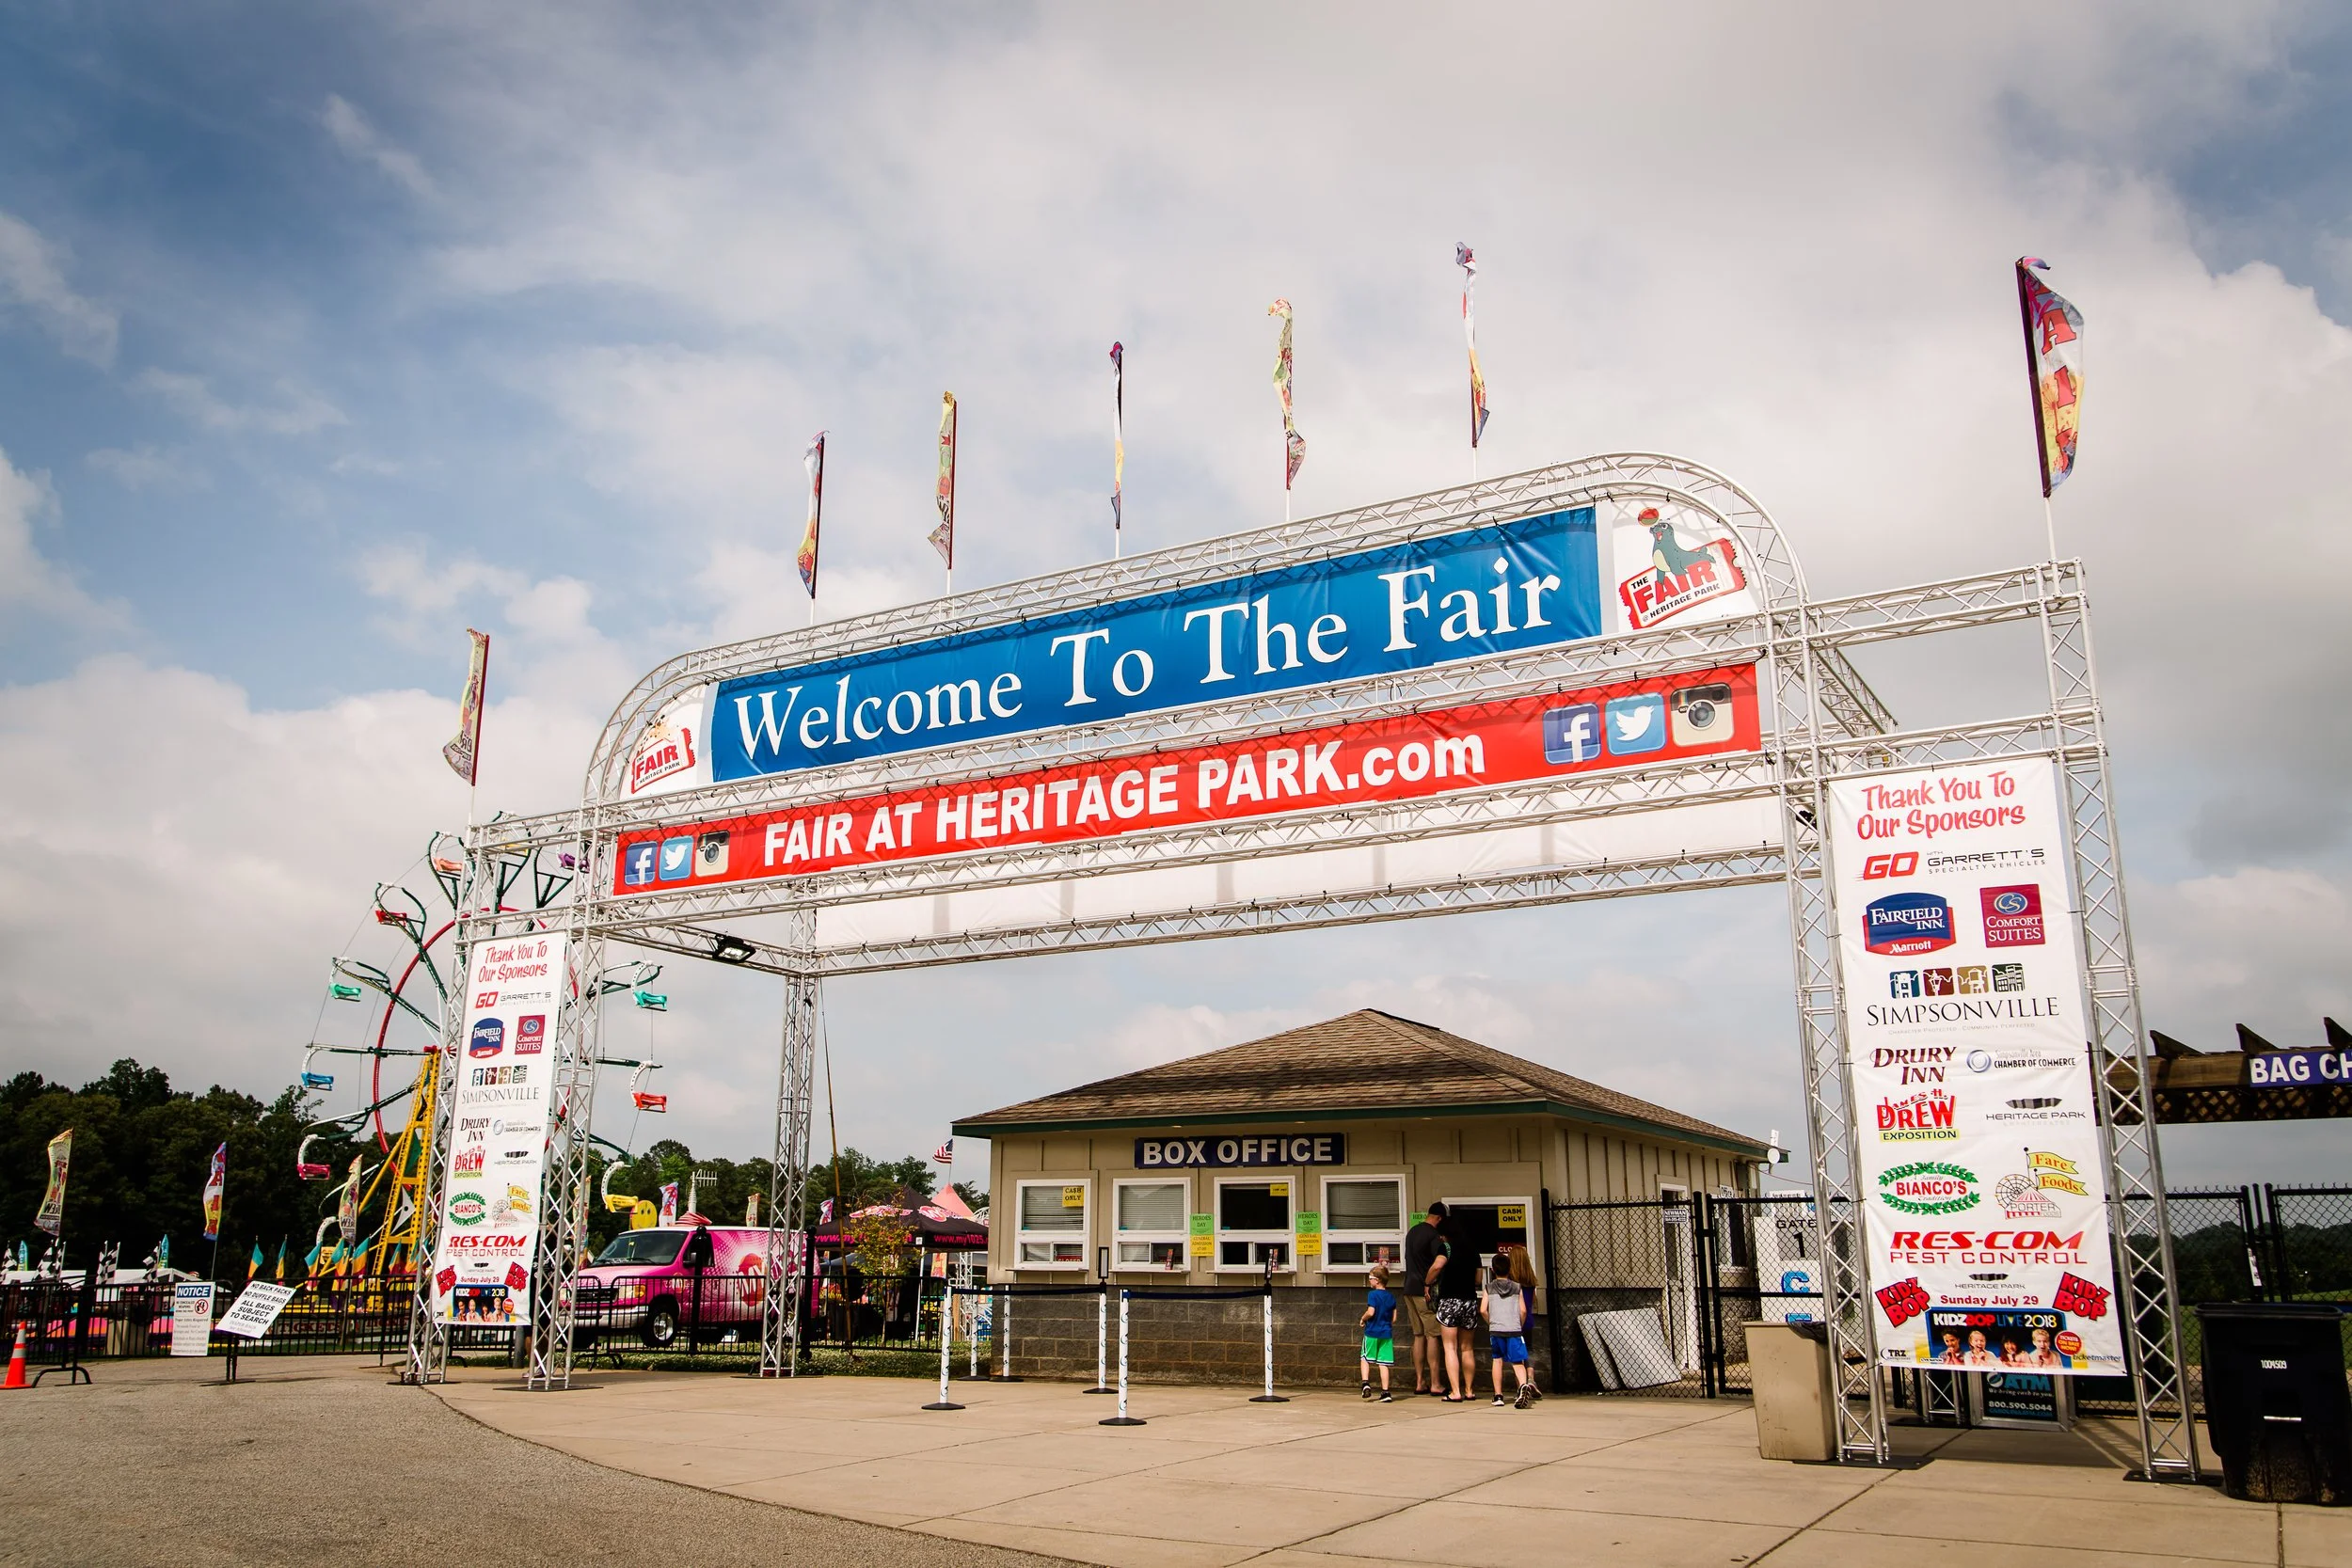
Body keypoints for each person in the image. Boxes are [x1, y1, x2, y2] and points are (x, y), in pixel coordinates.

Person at [1426, 1214, 1482, 1402]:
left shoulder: (1446, 1247)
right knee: (1467, 1348)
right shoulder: (1472, 1249)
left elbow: (1437, 1266)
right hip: (1469, 1301)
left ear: (1445, 1234)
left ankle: (1455, 1392)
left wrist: (1427, 1281)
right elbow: (1478, 1279)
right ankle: (1469, 1390)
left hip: (1449, 1300)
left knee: (1450, 1347)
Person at [1401, 1201, 1444, 1396]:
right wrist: (1429, 1283)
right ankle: (1435, 1383)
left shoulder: (1412, 1232)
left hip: (1408, 1288)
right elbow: (1438, 1264)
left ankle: (1419, 1382)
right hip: (1424, 1291)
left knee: (1418, 1335)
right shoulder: (1433, 1235)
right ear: (1439, 1219)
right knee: (1432, 1335)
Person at [1484, 1259, 1534, 1408]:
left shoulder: (1488, 1287)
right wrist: (1519, 1324)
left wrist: (1491, 1322)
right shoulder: (1517, 1287)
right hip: (1514, 1329)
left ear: (1493, 1270)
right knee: (1518, 1361)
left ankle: (1498, 1396)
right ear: (1510, 1269)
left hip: (1496, 1329)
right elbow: (1523, 1310)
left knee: (1497, 1360)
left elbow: (1482, 1309)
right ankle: (1523, 1386)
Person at [1495, 1242, 1543, 1401]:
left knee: (1516, 1357)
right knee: (1527, 1350)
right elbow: (1532, 1301)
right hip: (1528, 1321)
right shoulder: (1530, 1281)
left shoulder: (1512, 1283)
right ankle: (1530, 1378)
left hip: (1513, 1322)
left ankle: (1521, 1387)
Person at [1359, 1261, 1397, 1402]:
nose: (1369, 1280)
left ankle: (1365, 1383)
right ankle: (1386, 1392)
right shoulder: (1391, 1296)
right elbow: (1394, 1318)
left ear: (1377, 1280)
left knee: (1365, 1358)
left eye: (1370, 1278)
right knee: (1383, 1363)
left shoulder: (1373, 1295)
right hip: (1386, 1334)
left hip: (1372, 1332)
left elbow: (1371, 1312)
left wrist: (1363, 1319)